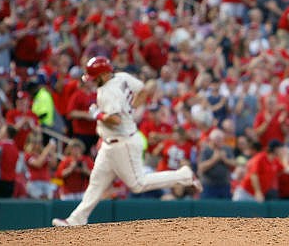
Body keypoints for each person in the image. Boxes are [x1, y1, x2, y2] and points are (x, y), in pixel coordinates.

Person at [52, 56, 202, 227]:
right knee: (96, 182)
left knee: (138, 184)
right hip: (111, 143)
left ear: (104, 75)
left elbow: (115, 119)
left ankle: (183, 175)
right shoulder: (122, 77)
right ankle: (76, 219)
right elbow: (144, 90)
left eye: (95, 78)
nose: (93, 82)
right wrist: (131, 108)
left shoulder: (108, 92)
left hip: (123, 143)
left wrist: (97, 115)